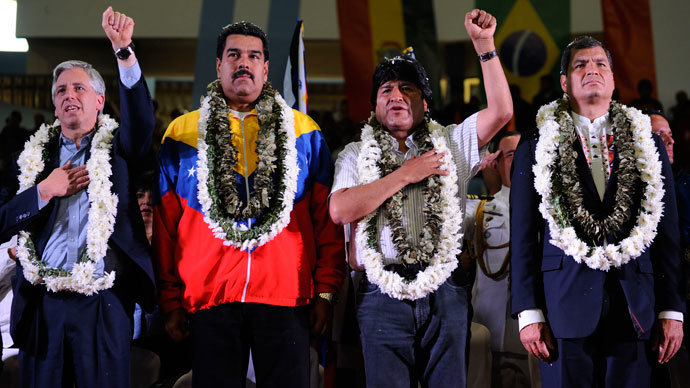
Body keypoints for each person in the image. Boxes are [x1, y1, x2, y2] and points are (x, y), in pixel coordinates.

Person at [154, 21, 345, 388]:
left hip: (287, 298)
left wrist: (325, 289)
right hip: (210, 298)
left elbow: (326, 220)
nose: (244, 62)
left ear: (266, 68)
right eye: (234, 55)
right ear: (218, 66)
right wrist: (170, 299)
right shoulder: (181, 133)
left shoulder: (303, 131)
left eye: (253, 56)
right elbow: (165, 227)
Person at [329, 9, 512, 387]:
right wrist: (406, 173)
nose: (396, 95)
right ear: (374, 108)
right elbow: (340, 209)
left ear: (425, 104)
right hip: (380, 295)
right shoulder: (353, 154)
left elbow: (502, 111)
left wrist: (484, 45)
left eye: (407, 88)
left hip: (445, 291)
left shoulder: (451, 143)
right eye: (386, 90)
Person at [511, 36, 685, 388]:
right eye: (580, 65)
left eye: (600, 64)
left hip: (635, 303)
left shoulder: (646, 141)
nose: (592, 70)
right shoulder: (536, 142)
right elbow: (523, 236)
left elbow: (668, 230)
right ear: (564, 83)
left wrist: (672, 308)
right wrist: (528, 311)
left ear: (613, 79)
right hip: (563, 307)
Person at [0, 7, 156, 387]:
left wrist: (124, 51)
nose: (69, 95)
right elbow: (3, 221)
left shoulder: (119, 148)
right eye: (61, 91)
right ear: (54, 107)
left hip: (103, 300)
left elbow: (141, 121)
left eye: (79, 88)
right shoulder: (34, 158)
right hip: (43, 303)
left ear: (100, 101)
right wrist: (43, 191)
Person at [464, 131, 540, 388]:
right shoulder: (480, 209)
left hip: (536, 336)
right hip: (490, 333)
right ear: (496, 164)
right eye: (511, 155)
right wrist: (471, 167)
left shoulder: (551, 209)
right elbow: (444, 209)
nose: (520, 161)